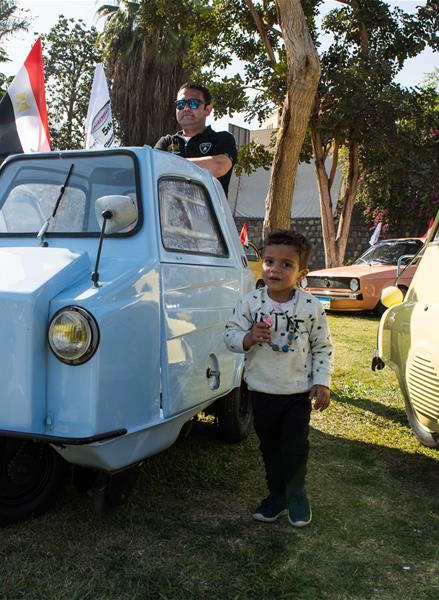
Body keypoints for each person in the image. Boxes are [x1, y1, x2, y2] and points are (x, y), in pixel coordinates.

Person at [225, 229, 333, 528]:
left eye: (287, 264)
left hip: (297, 393)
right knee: (270, 448)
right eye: (270, 261)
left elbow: (322, 346)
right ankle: (277, 496)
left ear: (302, 273)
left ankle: (297, 495)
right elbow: (230, 336)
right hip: (262, 391)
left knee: (294, 447)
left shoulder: (311, 307)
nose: (275, 269)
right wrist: (248, 337)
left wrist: (321, 381)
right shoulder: (251, 303)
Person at [154, 82, 238, 196]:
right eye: (181, 104)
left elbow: (219, 166)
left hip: (209, 213)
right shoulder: (166, 142)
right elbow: (152, 169)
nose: (186, 108)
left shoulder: (221, 138)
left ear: (208, 109)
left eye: (193, 103)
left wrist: (168, 164)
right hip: (168, 212)